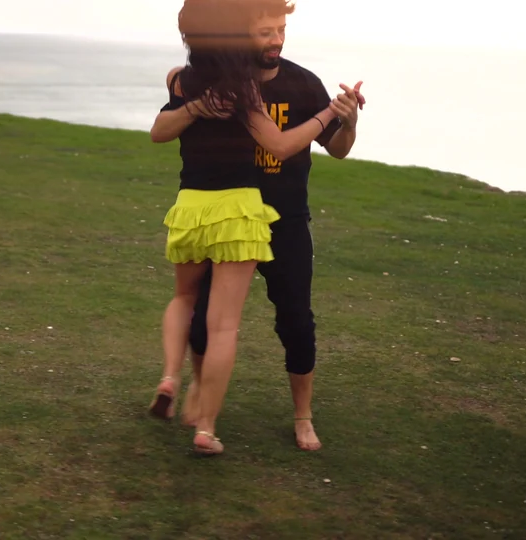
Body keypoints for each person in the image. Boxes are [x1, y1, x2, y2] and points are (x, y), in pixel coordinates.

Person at [150, 0, 366, 452]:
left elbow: (339, 150)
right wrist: (192, 106)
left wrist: (346, 120)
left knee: (295, 322)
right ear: (238, 33)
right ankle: (201, 403)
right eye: (265, 31)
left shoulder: (303, 83)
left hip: (283, 221)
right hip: (235, 219)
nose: (276, 39)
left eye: (281, 29)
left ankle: (302, 416)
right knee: (208, 322)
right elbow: (171, 121)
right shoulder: (226, 81)